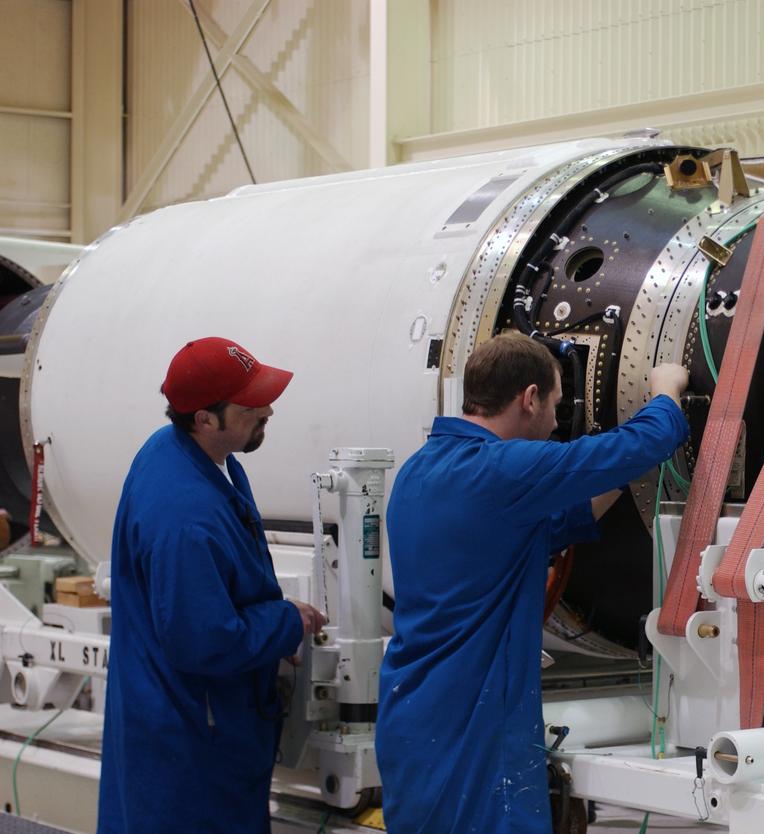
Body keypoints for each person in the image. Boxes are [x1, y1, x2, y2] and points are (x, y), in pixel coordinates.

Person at [377, 332, 689, 833]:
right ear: (528, 398)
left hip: (415, 716)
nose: (553, 421)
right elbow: (646, 440)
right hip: (474, 723)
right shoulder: (502, 469)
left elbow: (543, 528)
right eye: (555, 405)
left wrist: (613, 475)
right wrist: (666, 391)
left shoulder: (425, 468)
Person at [97, 337, 327, 834]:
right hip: (191, 744)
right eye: (251, 405)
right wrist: (286, 622)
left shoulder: (187, 454)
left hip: (195, 722)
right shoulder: (184, 516)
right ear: (205, 418)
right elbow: (201, 640)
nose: (267, 409)